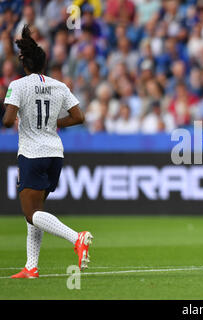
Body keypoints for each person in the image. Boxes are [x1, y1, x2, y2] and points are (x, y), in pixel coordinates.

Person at [2, 25, 93, 279]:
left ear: (25, 65)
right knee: (36, 213)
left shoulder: (18, 85)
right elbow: (79, 116)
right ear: (43, 64)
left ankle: (78, 238)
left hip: (31, 153)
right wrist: (55, 123)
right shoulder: (59, 85)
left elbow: (8, 121)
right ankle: (31, 266)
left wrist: (11, 106)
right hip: (55, 153)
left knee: (31, 214)